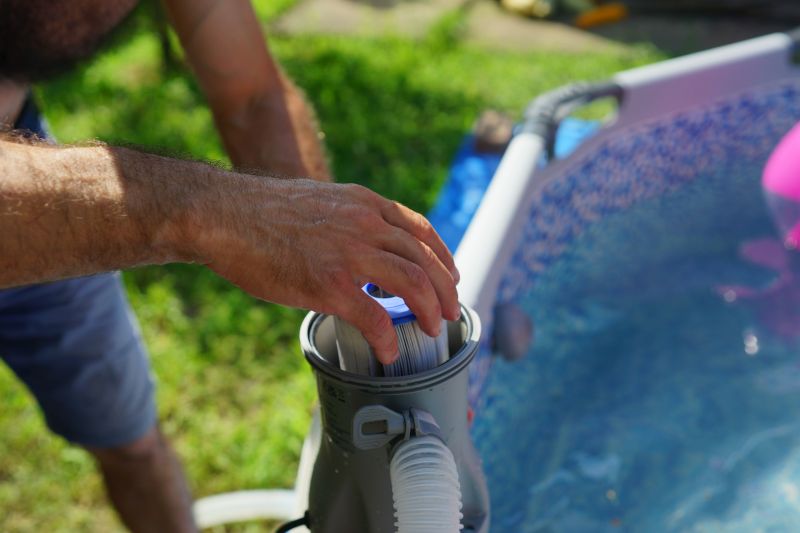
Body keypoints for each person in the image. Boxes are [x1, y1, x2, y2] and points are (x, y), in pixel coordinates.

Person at [0, 1, 460, 531]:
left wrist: (330, 263)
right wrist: (212, 211)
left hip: (33, 161)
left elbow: (253, 98)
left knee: (130, 439)